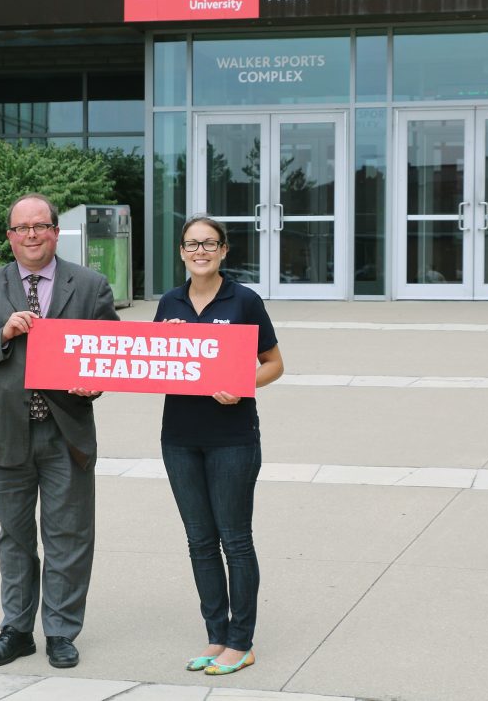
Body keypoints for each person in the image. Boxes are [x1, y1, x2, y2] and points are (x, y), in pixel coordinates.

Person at [0, 193, 119, 670]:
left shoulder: (89, 285)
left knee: (69, 536)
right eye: (21, 228)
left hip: (66, 433)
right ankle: (17, 631)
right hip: (6, 434)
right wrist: (1, 335)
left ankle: (62, 632)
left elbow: (112, 353)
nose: (31, 236)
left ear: (55, 231)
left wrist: (95, 384)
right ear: (9, 235)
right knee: (15, 537)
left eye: (40, 226)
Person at [154, 215, 284, 677]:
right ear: (182, 252)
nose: (201, 251)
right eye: (192, 244)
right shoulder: (169, 302)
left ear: (225, 250)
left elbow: (274, 363)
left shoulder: (244, 300)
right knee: (200, 541)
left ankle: (241, 641)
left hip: (232, 439)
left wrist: (243, 382)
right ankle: (216, 635)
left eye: (210, 243)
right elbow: (153, 364)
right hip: (180, 439)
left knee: (235, 539)